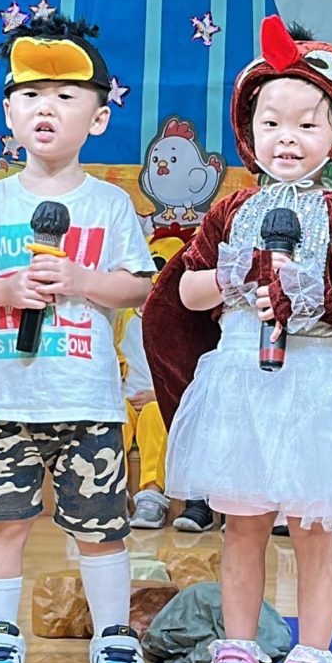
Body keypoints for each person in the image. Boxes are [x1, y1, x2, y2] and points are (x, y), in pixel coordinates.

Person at [145, 16, 332, 663]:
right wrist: (230, 275)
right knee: (243, 524)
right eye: (271, 123)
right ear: (248, 130)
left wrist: (319, 295)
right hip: (243, 378)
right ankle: (236, 658)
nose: (286, 138)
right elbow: (186, 290)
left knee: (312, 528)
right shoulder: (230, 209)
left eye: (306, 124)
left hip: (315, 381)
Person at [0, 15, 157, 663]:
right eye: (31, 95)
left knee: (101, 528)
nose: (47, 108)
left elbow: (139, 285)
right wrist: (5, 290)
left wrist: (81, 279)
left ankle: (114, 637)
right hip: (7, 402)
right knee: (3, 521)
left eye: (66, 97)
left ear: (98, 118)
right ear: (9, 113)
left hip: (88, 400)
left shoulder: (111, 203)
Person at [126, 227, 189, 530]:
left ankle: (151, 495)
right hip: (124, 396)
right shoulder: (122, 314)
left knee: (155, 414)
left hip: (159, 397)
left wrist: (159, 394)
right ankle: (111, 491)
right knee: (113, 417)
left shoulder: (179, 318)